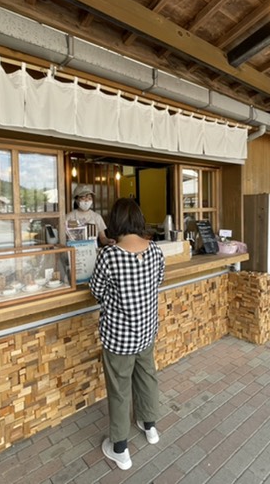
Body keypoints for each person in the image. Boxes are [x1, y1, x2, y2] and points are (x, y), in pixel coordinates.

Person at [89, 198, 165, 470]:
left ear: (116, 221)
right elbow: (158, 281)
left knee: (120, 390)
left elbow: (96, 291)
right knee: (147, 377)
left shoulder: (109, 255)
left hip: (119, 337)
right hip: (146, 331)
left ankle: (120, 448)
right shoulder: (155, 250)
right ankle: (150, 426)